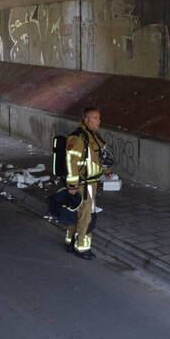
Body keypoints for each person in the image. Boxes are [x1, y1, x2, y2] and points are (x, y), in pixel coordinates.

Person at [64, 106, 107, 260]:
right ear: (86, 119)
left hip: (91, 182)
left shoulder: (92, 135)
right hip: (84, 184)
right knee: (85, 216)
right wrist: (72, 185)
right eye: (95, 118)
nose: (98, 121)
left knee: (77, 213)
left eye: (99, 117)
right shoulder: (79, 137)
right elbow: (71, 161)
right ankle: (82, 248)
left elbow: (94, 158)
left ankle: (70, 242)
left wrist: (105, 172)